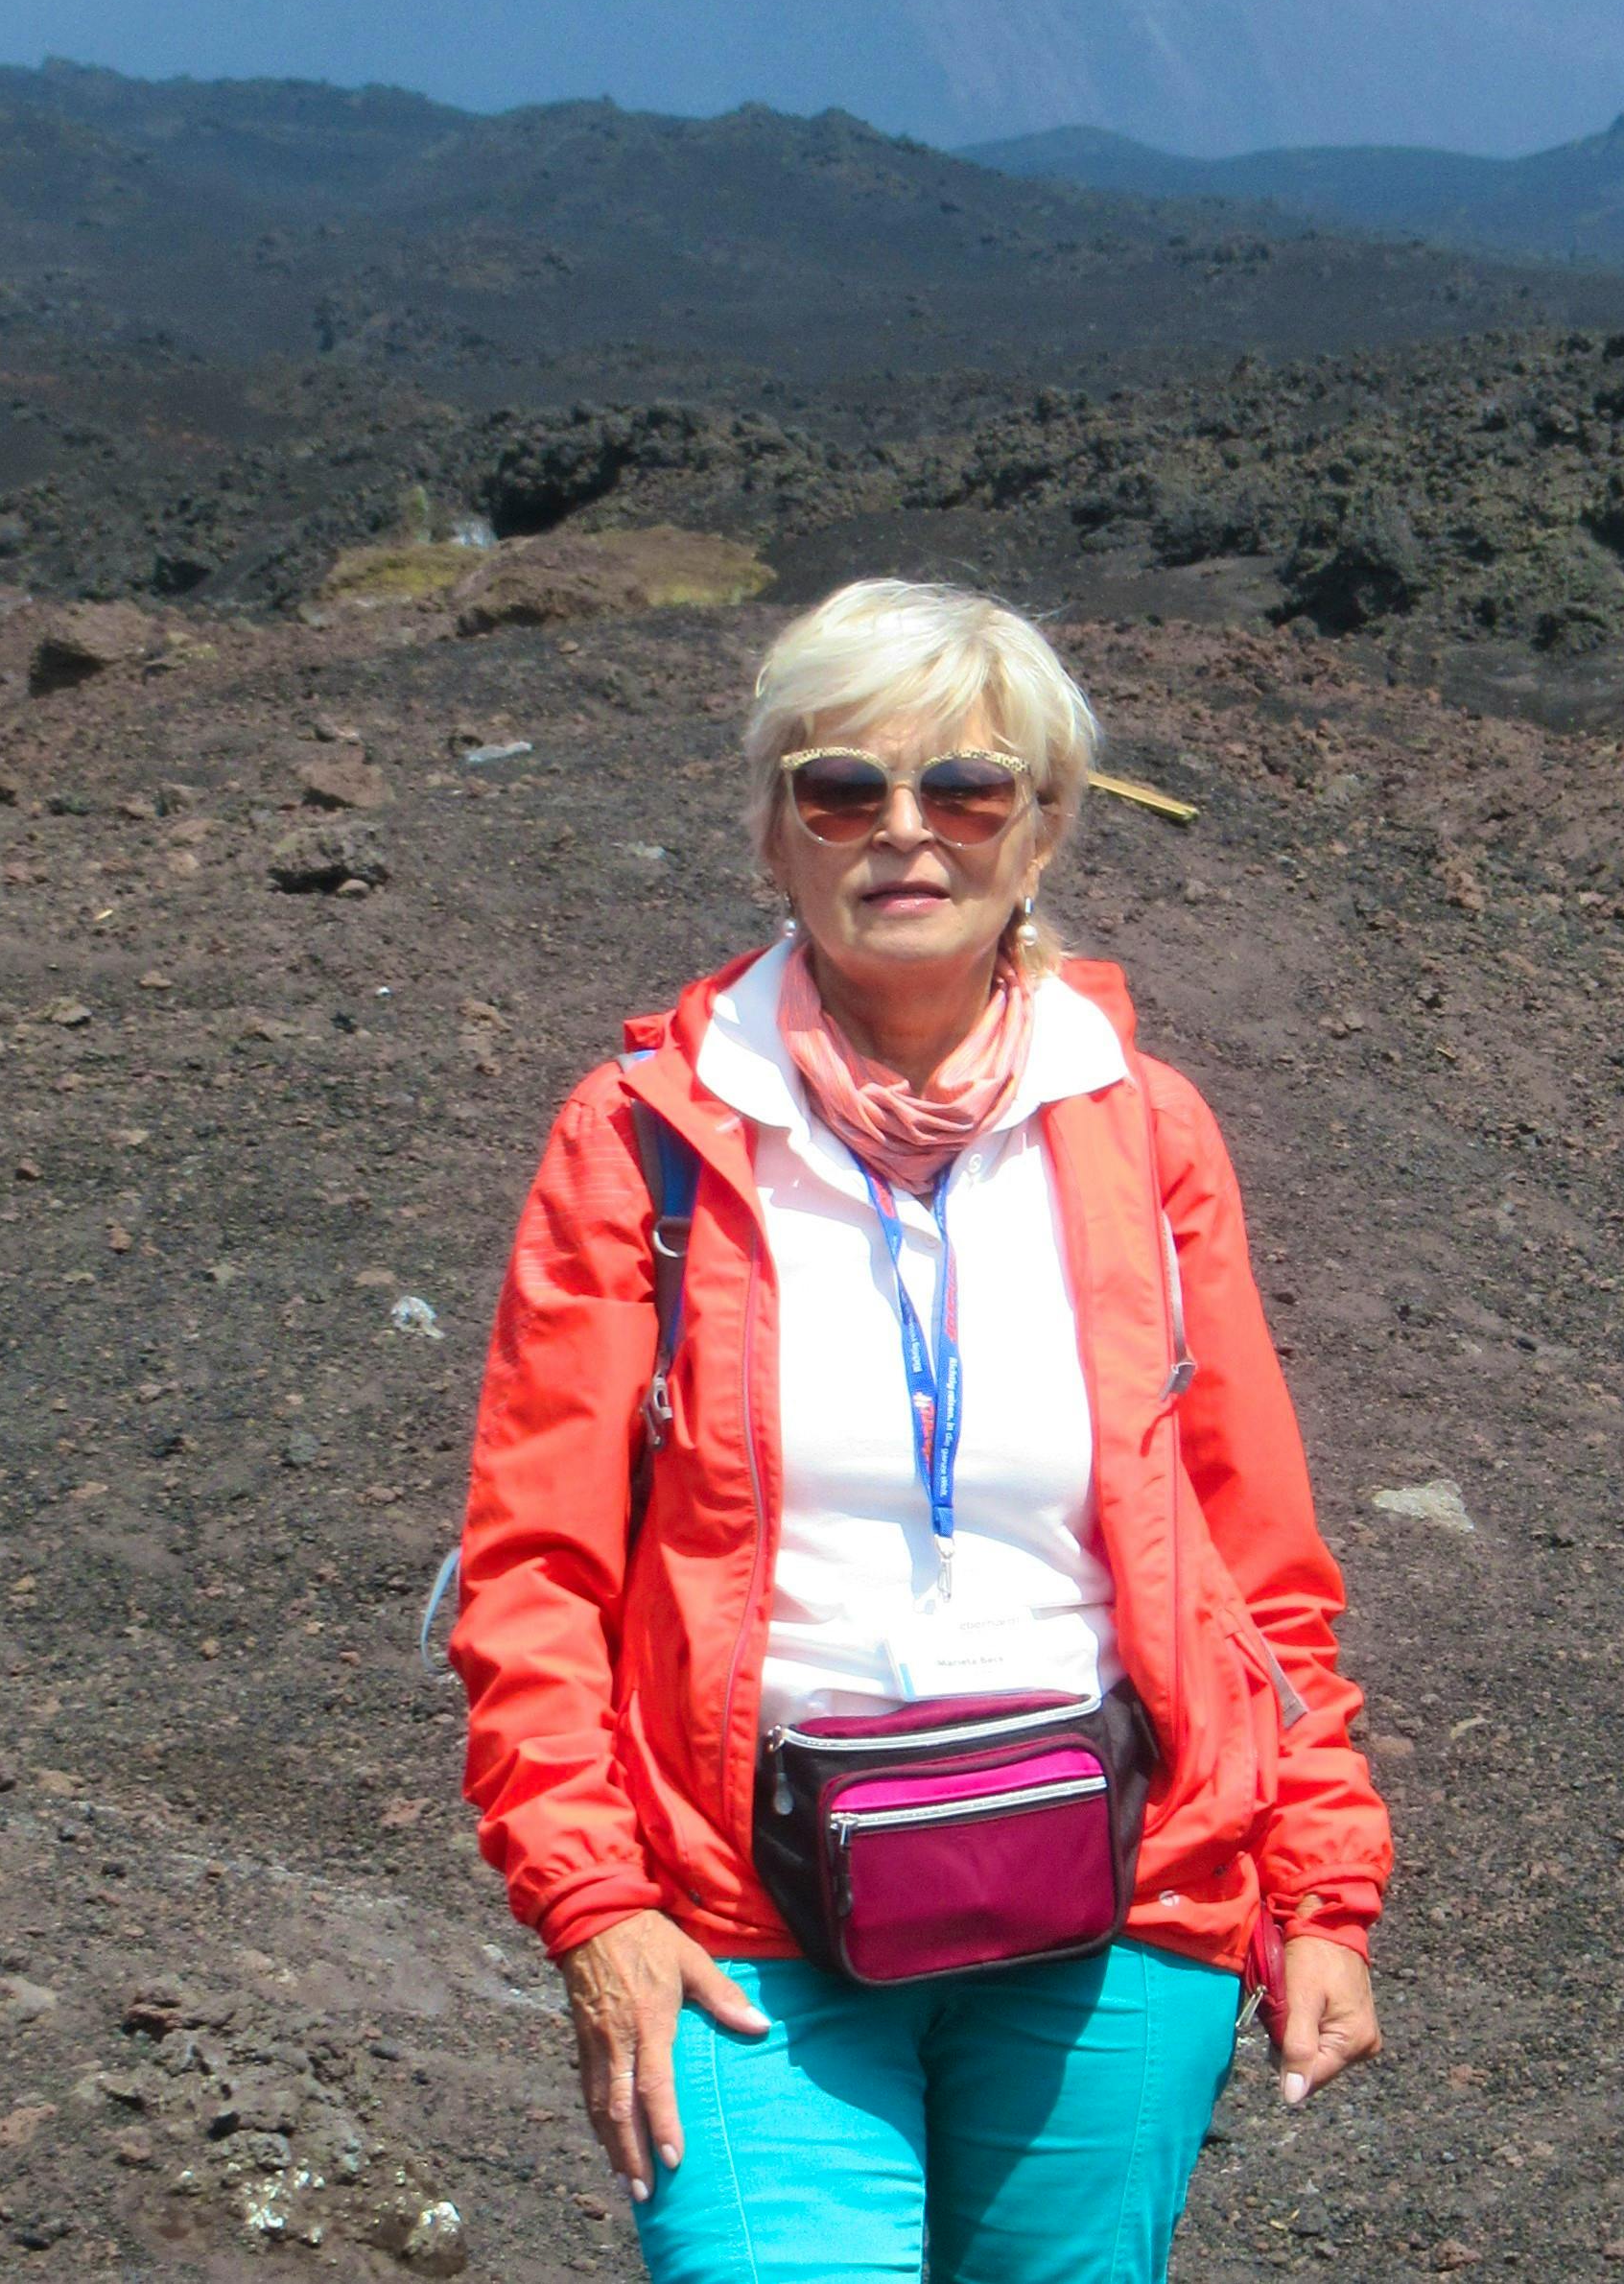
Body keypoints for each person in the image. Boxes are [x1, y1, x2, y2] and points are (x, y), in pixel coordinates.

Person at [449, 577, 1390, 2283]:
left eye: (966, 791)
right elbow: (532, 1571)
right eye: (842, 790)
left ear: (1044, 832)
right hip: (742, 1917)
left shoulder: (1143, 1133)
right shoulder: (646, 1143)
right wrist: (595, 1901)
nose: (906, 834)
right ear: (773, 830)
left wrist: (1320, 1882)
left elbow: (1256, 1555)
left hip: (1113, 1897)